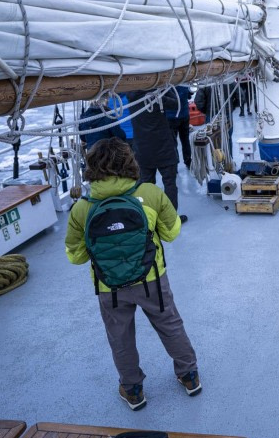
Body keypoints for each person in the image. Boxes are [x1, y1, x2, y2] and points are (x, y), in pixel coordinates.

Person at [65, 138, 201, 410]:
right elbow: (171, 233)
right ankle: (189, 376)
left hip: (109, 287)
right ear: (130, 161)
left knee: (121, 338)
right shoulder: (149, 193)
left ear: (91, 168)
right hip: (151, 279)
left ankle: (133, 390)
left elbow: (76, 256)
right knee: (170, 325)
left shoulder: (81, 208)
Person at [125, 89, 185, 222]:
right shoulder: (158, 95)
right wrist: (164, 89)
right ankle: (170, 219)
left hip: (143, 149)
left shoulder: (131, 96)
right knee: (169, 183)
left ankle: (149, 219)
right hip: (163, 147)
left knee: (146, 186)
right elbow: (176, 103)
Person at [166, 85, 193, 168]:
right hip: (184, 115)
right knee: (185, 140)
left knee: (173, 142)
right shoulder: (184, 84)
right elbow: (189, 95)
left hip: (171, 117)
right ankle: (188, 161)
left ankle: (175, 165)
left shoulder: (166, 86)